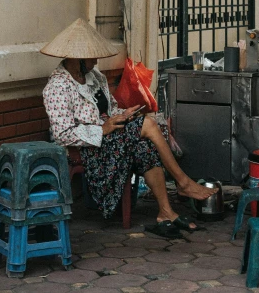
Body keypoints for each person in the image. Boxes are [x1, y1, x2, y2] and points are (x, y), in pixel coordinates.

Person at [41, 19, 216, 238]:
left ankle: (166, 212)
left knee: (146, 149)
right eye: (92, 57)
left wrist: (122, 115)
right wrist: (102, 129)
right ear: (78, 59)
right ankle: (183, 182)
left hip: (110, 139)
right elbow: (61, 134)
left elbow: (110, 107)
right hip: (87, 149)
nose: (96, 61)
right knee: (148, 125)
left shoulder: (95, 78)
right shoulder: (57, 86)